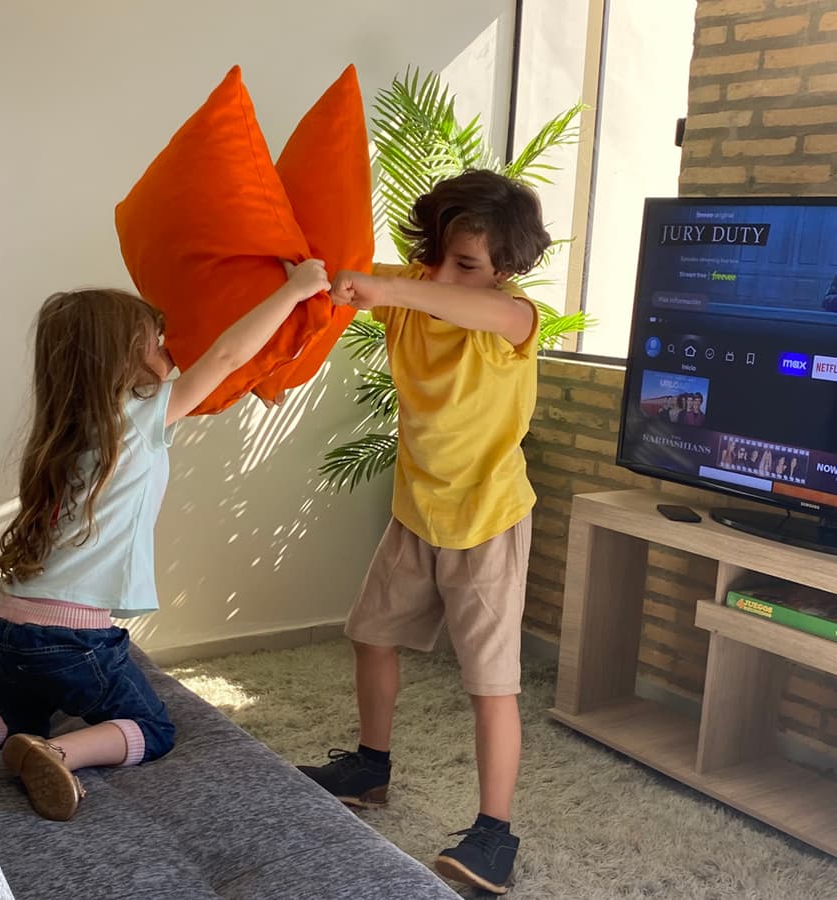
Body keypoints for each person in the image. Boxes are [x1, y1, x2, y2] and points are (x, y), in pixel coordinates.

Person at [0, 259, 329, 821]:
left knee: (15, 713)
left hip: (7, 631)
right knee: (153, 728)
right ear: (120, 362)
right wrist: (295, 290)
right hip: (73, 641)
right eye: (155, 341)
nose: (169, 348)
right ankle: (56, 753)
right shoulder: (139, 417)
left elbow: (225, 369)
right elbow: (225, 356)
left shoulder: (60, 433)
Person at [297, 169, 551, 895]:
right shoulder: (415, 292)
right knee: (371, 633)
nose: (442, 273)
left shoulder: (515, 320)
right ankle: (369, 767)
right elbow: (344, 283)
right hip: (416, 512)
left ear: (504, 270)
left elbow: (431, 297)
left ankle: (494, 832)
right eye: (437, 255)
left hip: (487, 521)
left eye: (466, 265)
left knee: (490, 684)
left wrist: (388, 287)